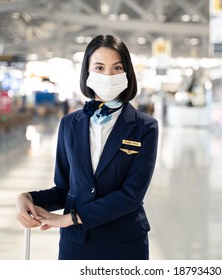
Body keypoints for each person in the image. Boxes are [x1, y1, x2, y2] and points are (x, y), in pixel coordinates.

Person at [16, 34, 159, 260]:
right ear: (88, 73)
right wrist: (29, 199)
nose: (108, 75)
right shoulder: (69, 124)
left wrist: (70, 218)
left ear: (127, 73)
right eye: (100, 68)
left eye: (117, 67)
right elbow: (65, 189)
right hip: (76, 244)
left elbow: (131, 195)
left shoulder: (145, 127)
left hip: (124, 243)